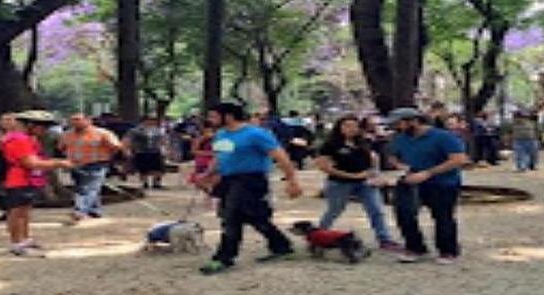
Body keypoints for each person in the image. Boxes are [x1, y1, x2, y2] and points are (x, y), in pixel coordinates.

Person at [197, 103, 302, 275]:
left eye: (214, 116)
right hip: (229, 180)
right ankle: (282, 246)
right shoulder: (221, 135)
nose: (210, 120)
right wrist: (207, 174)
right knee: (255, 217)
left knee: (231, 216)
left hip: (251, 180)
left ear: (229, 116)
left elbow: (280, 156)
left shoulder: (256, 134)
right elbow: (219, 158)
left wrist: (292, 180)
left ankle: (223, 258)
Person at [387, 107, 470, 265]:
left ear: (413, 121)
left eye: (399, 124)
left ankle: (448, 250)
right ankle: (415, 247)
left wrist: (428, 173)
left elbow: (458, 159)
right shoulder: (400, 138)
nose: (396, 128)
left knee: (442, 216)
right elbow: (393, 156)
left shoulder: (443, 137)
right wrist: (400, 165)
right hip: (411, 179)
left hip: (442, 182)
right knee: (404, 213)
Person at [315, 115, 399, 251]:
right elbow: (324, 166)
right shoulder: (331, 145)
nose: (351, 129)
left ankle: (385, 239)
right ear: (340, 128)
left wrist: (376, 175)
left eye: (354, 126)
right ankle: (318, 236)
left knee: (376, 210)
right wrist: (352, 175)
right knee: (334, 210)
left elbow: (374, 158)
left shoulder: (364, 142)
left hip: (365, 182)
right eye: (347, 126)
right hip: (340, 183)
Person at [0, 111, 73, 257]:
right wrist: (59, 163)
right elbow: (30, 162)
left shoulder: (28, 139)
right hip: (18, 179)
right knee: (17, 212)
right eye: (43, 126)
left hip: (28, 179)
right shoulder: (19, 140)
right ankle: (17, 243)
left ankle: (24, 238)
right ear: (30, 125)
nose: (45, 130)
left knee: (25, 211)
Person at [59, 113, 122, 223]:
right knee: (81, 187)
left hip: (97, 164)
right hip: (75, 165)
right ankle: (94, 211)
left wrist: (108, 157)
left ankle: (80, 211)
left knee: (90, 188)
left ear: (88, 120)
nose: (75, 122)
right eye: (73, 120)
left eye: (78, 119)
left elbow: (116, 146)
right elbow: (61, 147)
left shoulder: (103, 133)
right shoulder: (67, 134)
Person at [125, 116, 168, 189]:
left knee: (158, 168)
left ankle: (156, 183)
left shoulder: (158, 130)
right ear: (143, 121)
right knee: (143, 168)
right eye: (149, 120)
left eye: (153, 120)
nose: (151, 122)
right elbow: (129, 140)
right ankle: (145, 182)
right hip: (141, 151)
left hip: (155, 151)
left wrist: (164, 149)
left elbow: (163, 140)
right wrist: (129, 150)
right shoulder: (135, 130)